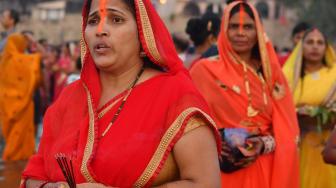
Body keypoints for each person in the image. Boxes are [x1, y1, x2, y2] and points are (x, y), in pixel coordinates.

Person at [21, 0, 221, 187]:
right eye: (93, 21)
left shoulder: (175, 93)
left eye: (116, 19)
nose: (100, 31)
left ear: (142, 30)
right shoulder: (69, 98)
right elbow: (33, 175)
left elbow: (205, 183)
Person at [190, 2, 299, 187]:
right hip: (218, 168)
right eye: (233, 26)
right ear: (224, 29)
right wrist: (216, 141)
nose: (240, 33)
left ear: (258, 32)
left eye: (248, 27)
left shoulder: (270, 74)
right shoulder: (204, 71)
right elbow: (186, 122)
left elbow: (287, 128)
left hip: (265, 168)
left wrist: (263, 144)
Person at [283, 28, 336, 188]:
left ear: (326, 48)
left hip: (329, 146)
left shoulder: (334, 75)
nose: (315, 47)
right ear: (301, 46)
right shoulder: (287, 75)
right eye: (310, 42)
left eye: (320, 43)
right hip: (296, 145)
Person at [0, 32, 45, 161]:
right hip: (24, 108)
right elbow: (44, 56)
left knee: (11, 142)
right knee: (20, 147)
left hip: (6, 108)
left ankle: (9, 172)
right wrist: (34, 40)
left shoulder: (3, 61)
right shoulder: (25, 61)